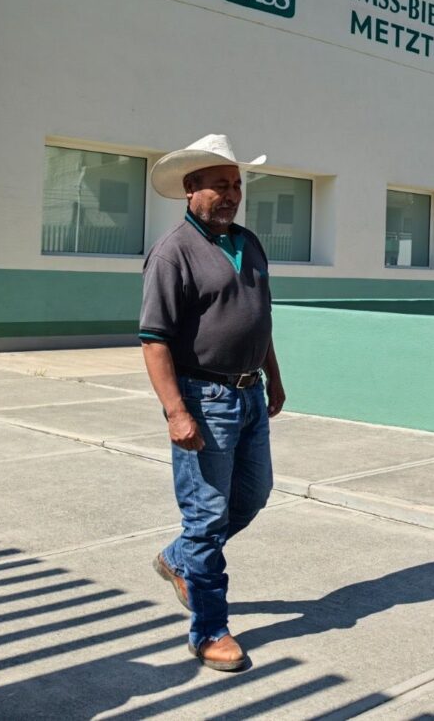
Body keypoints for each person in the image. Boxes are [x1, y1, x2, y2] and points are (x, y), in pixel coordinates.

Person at [139, 133, 285, 673]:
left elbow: (261, 319)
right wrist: (177, 411)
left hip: (249, 394)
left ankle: (177, 559)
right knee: (205, 516)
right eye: (218, 185)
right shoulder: (172, 252)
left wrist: (274, 376)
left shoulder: (249, 242)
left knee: (252, 496)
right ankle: (209, 630)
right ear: (190, 189)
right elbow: (154, 340)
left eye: (236, 185)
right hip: (204, 398)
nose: (230, 194)